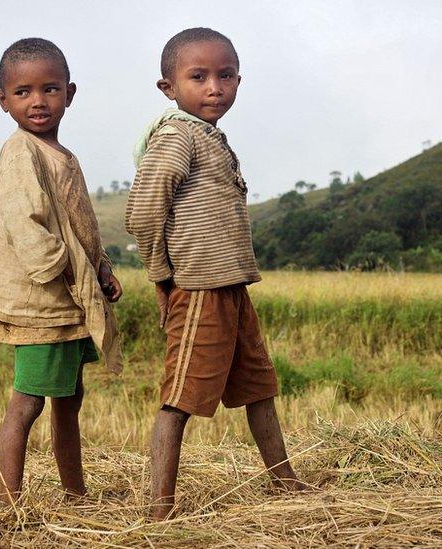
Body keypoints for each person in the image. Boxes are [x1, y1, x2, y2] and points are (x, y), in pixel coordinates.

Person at [126, 27, 306, 520]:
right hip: (200, 287)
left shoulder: (210, 137)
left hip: (232, 288)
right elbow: (143, 210)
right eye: (198, 77)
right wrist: (161, 275)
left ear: (239, 81)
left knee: (260, 388)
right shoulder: (177, 134)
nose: (214, 88)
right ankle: (160, 511)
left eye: (225, 76)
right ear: (169, 88)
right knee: (179, 400)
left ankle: (286, 483)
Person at [0, 37, 123, 505]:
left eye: (50, 89)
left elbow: (81, 224)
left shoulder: (64, 156)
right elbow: (27, 225)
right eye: (23, 92)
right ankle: (9, 502)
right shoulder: (20, 151)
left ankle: (75, 494)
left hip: (70, 302)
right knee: (28, 402)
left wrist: (101, 268)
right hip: (44, 304)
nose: (38, 101)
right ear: (3, 100)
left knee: (69, 400)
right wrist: (64, 272)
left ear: (70, 94)